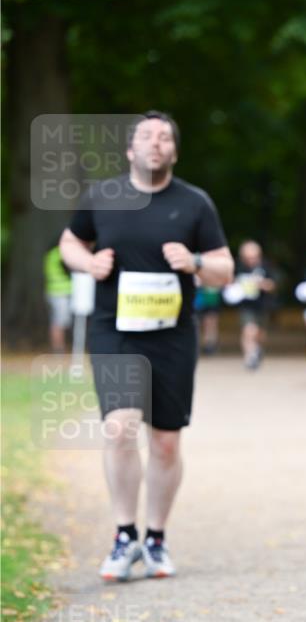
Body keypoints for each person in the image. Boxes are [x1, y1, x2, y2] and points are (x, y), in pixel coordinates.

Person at [59, 111, 233, 581]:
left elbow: (224, 269)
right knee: (119, 428)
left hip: (172, 334)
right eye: (146, 136)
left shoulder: (194, 204)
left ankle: (155, 538)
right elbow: (69, 243)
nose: (155, 144)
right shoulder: (103, 196)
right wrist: (88, 263)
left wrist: (194, 260)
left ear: (173, 151)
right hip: (113, 330)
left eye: (164, 138)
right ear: (130, 149)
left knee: (166, 443)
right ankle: (123, 534)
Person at [223, 240, 277, 369]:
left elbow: (273, 285)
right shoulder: (238, 267)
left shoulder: (266, 266)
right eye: (247, 257)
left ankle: (257, 349)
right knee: (249, 330)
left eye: (253, 256)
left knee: (260, 334)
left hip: (263, 305)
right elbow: (229, 284)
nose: (251, 259)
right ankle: (250, 356)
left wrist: (262, 284)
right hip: (246, 306)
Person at [43, 243, 73, 352]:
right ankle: (59, 349)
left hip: (54, 291)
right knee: (59, 322)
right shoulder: (61, 253)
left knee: (57, 321)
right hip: (61, 292)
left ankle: (59, 348)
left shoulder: (51, 254)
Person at [193, 281, 223, 355]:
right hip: (200, 300)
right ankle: (199, 345)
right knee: (197, 324)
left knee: (211, 324)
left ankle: (210, 345)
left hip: (212, 300)